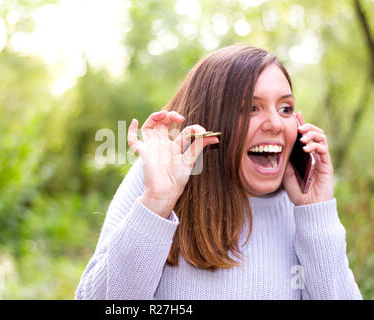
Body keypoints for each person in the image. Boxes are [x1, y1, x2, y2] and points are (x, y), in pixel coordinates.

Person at [74, 45, 362, 300]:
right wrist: (156, 203)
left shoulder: (298, 205)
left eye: (286, 108)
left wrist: (315, 212)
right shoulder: (156, 179)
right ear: (211, 123)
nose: (275, 123)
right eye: (251, 108)